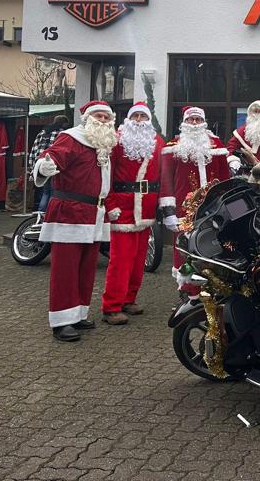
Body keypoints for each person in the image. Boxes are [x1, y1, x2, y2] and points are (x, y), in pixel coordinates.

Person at [32, 101, 117, 342]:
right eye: (98, 116)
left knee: (86, 268)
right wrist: (45, 165)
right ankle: (61, 322)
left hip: (94, 213)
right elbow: (50, 156)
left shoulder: (104, 144)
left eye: (106, 117)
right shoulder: (71, 138)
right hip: (70, 212)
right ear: (87, 118)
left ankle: (78, 314)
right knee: (65, 269)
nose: (103, 120)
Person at [101, 102, 164, 324]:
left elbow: (162, 175)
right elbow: (106, 175)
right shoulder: (116, 141)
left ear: (149, 120)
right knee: (121, 260)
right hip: (123, 207)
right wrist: (110, 204)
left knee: (138, 261)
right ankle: (111, 306)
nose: (138, 120)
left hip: (146, 208)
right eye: (135, 116)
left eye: (142, 116)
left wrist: (162, 204)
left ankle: (129, 299)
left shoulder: (157, 142)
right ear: (128, 119)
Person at [158, 107, 232, 293]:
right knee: (184, 248)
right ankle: (187, 290)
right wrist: (169, 211)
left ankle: (211, 288)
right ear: (184, 122)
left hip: (212, 208)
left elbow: (225, 178)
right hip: (183, 209)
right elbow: (166, 181)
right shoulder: (173, 146)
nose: (194, 123)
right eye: (191, 120)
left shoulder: (216, 144)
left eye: (198, 119)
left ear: (204, 122)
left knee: (211, 246)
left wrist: (226, 203)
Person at [30, 115, 71, 212]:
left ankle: (41, 213)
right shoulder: (62, 134)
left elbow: (34, 149)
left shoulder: (42, 133)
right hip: (53, 165)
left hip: (41, 165)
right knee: (53, 192)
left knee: (45, 192)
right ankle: (49, 213)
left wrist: (32, 165)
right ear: (64, 123)